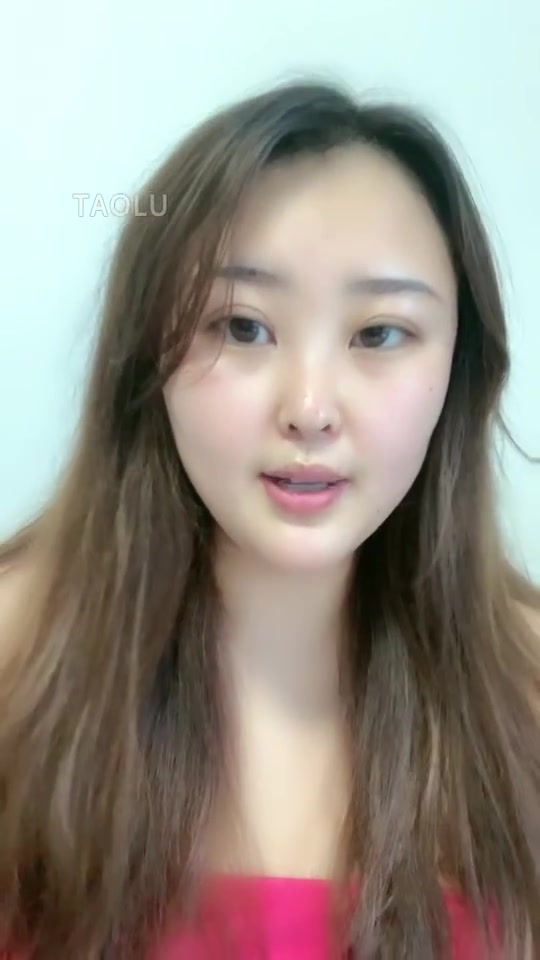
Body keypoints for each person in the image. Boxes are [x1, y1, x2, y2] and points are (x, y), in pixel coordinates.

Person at [0, 78, 539, 960]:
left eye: (379, 334)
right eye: (243, 327)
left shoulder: (526, 689)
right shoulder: (16, 658)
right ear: (146, 356)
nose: (310, 409)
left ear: (460, 367)